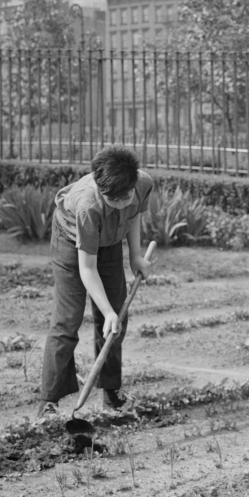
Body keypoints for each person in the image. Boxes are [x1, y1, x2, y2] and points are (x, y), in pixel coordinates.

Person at [36, 145, 154, 418]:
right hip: (70, 243)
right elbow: (87, 269)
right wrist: (108, 310)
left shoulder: (143, 182)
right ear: (102, 191)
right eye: (116, 199)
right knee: (67, 322)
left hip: (110, 242)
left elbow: (133, 214)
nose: (124, 202)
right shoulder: (88, 205)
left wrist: (135, 257)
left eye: (127, 195)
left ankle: (112, 392)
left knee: (115, 324)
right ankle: (49, 402)